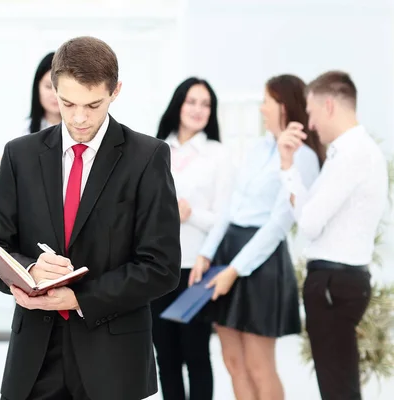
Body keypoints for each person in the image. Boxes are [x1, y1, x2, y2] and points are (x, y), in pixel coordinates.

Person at [0, 36, 181, 400]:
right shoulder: (19, 156)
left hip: (114, 359)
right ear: (53, 89)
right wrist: (30, 272)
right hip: (35, 360)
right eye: (67, 103)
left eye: (93, 104)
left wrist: (80, 298)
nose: (80, 117)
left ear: (116, 91)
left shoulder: (147, 157)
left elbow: (161, 268)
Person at [191, 74, 324, 400]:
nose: (261, 109)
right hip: (227, 252)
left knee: (259, 364)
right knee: (233, 361)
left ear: (283, 105)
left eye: (266, 101)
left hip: (260, 263)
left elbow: (278, 225)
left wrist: (233, 271)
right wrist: (206, 253)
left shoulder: (302, 157)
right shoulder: (255, 148)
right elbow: (230, 206)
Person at [278, 70, 388, 400]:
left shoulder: (352, 154)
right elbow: (310, 215)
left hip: (333, 284)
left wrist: (288, 171)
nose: (310, 124)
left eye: (310, 113)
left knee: (338, 389)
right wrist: (289, 170)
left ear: (328, 106)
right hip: (336, 282)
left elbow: (309, 223)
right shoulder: (349, 153)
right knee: (337, 385)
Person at [152, 77, 233, 400]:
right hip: (157, 269)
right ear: (178, 104)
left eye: (206, 104)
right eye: (191, 101)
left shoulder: (218, 154)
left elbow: (225, 217)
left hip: (197, 270)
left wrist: (190, 214)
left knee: (196, 356)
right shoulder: (157, 149)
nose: (198, 110)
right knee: (165, 358)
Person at [22, 52, 61, 135]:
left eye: (60, 88)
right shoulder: (23, 131)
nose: (55, 94)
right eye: (48, 86)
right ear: (37, 87)